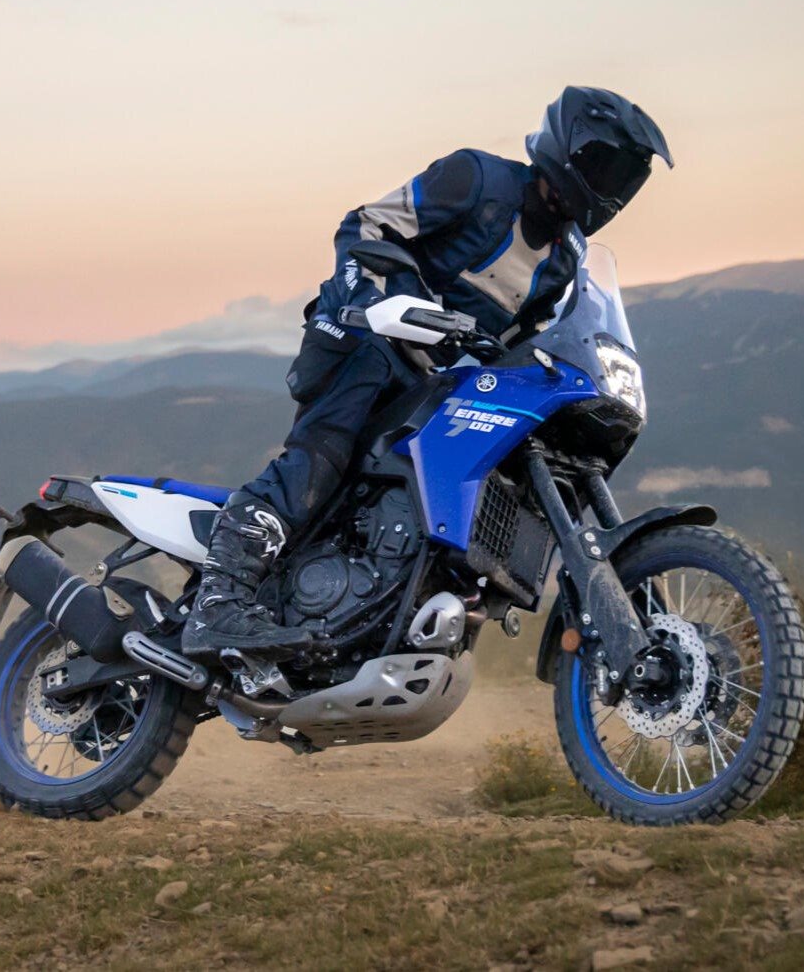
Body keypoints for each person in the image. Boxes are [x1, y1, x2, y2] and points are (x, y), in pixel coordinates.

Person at [181, 86, 671, 657]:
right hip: (365, 334)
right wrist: (370, 297)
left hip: (429, 374)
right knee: (321, 456)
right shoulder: (478, 180)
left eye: (623, 180)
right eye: (606, 169)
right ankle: (218, 604)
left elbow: (529, 339)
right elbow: (365, 226)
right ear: (570, 149)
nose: (612, 189)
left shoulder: (565, 259)